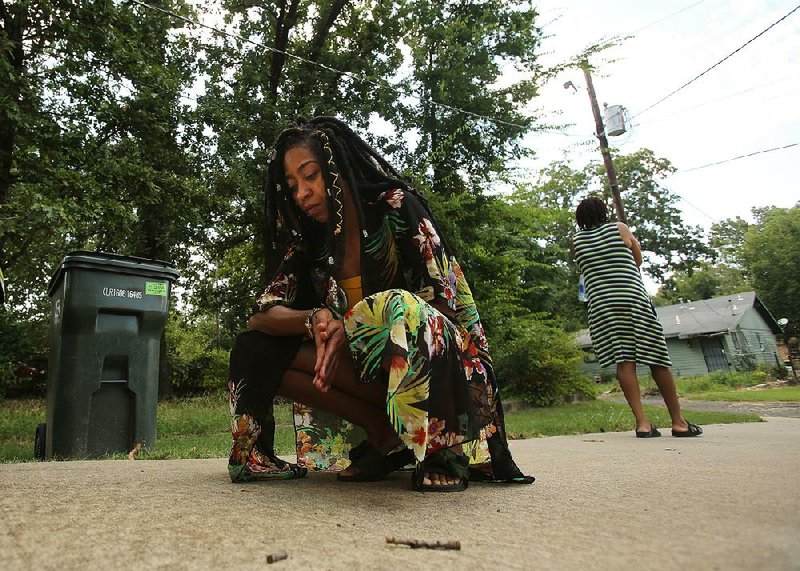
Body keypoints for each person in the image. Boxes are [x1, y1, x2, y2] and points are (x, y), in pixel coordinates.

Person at [226, 116, 534, 491]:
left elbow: (445, 305)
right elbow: (263, 314)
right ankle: (380, 432)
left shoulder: (396, 207)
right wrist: (316, 319)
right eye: (292, 185)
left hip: (440, 369)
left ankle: (439, 447)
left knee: (396, 305)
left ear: (336, 170)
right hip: (366, 374)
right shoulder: (311, 241)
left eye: (310, 176)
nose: (302, 193)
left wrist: (356, 323)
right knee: (253, 347)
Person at [571, 196, 702, 439]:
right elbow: (637, 261)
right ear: (603, 212)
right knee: (656, 357)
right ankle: (679, 422)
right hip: (633, 299)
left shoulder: (577, 241)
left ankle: (642, 423)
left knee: (624, 360)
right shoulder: (619, 228)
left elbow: (583, 269)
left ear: (581, 218)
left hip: (603, 306)